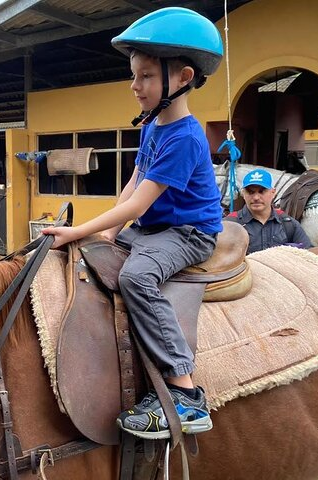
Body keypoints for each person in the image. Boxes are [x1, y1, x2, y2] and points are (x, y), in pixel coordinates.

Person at [42, 7, 224, 439]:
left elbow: (139, 204)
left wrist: (78, 229)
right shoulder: (152, 126)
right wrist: (103, 233)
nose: (134, 86)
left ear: (180, 78)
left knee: (139, 276)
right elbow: (133, 183)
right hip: (153, 226)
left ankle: (185, 393)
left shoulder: (185, 136)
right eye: (133, 75)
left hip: (187, 233)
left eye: (144, 76)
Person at [226, 168, 312, 253]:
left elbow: (308, 255)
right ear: (243, 193)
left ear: (273, 192)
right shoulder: (230, 224)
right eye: (250, 192)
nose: (256, 198)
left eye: (262, 191)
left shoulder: (288, 224)